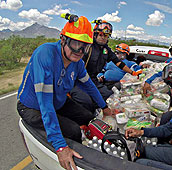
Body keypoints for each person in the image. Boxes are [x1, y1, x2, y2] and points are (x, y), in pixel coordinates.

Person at [17, 14, 113, 170]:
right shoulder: (45, 55)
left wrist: (105, 108)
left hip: (58, 101)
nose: (80, 51)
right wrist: (60, 146)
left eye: (85, 46)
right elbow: (45, 103)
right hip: (32, 107)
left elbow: (89, 86)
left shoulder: (77, 63)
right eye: (76, 44)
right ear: (63, 39)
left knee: (91, 118)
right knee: (73, 130)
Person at [70, 20, 142, 113]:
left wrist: (132, 73)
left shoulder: (106, 50)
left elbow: (118, 63)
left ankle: (96, 112)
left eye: (106, 35)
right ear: (95, 35)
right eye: (101, 35)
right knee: (86, 101)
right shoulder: (87, 47)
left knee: (108, 95)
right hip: (77, 80)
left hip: (93, 80)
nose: (103, 37)